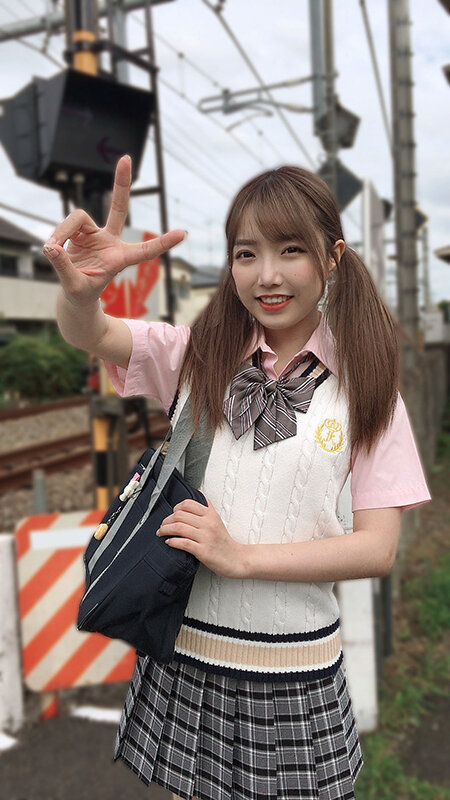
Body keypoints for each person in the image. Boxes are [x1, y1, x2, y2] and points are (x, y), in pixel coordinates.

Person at [44, 154, 431, 800]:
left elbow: (377, 548)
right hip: (187, 661)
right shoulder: (198, 357)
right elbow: (94, 334)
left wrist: (241, 557)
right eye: (246, 254)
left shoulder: (367, 389)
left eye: (290, 250)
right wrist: (79, 296)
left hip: (296, 674)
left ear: (332, 257)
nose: (267, 275)